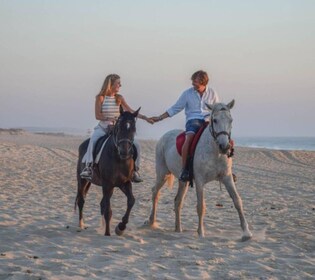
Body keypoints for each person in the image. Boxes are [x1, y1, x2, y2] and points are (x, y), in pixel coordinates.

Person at [80, 74, 153, 181]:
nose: (120, 85)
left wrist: (145, 118)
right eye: (118, 83)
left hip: (117, 129)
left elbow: (130, 111)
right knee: (93, 141)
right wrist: (112, 117)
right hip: (103, 127)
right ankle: (88, 167)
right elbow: (97, 115)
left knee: (136, 145)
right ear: (111, 84)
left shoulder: (119, 98)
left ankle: (135, 170)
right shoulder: (100, 97)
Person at [149, 70, 219, 182]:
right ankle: (184, 169)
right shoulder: (187, 94)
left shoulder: (212, 93)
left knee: (222, 136)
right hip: (193, 120)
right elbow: (175, 108)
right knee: (189, 138)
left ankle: (227, 169)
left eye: (194, 81)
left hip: (208, 120)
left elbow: (216, 109)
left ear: (202, 82)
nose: (192, 84)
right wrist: (159, 118)